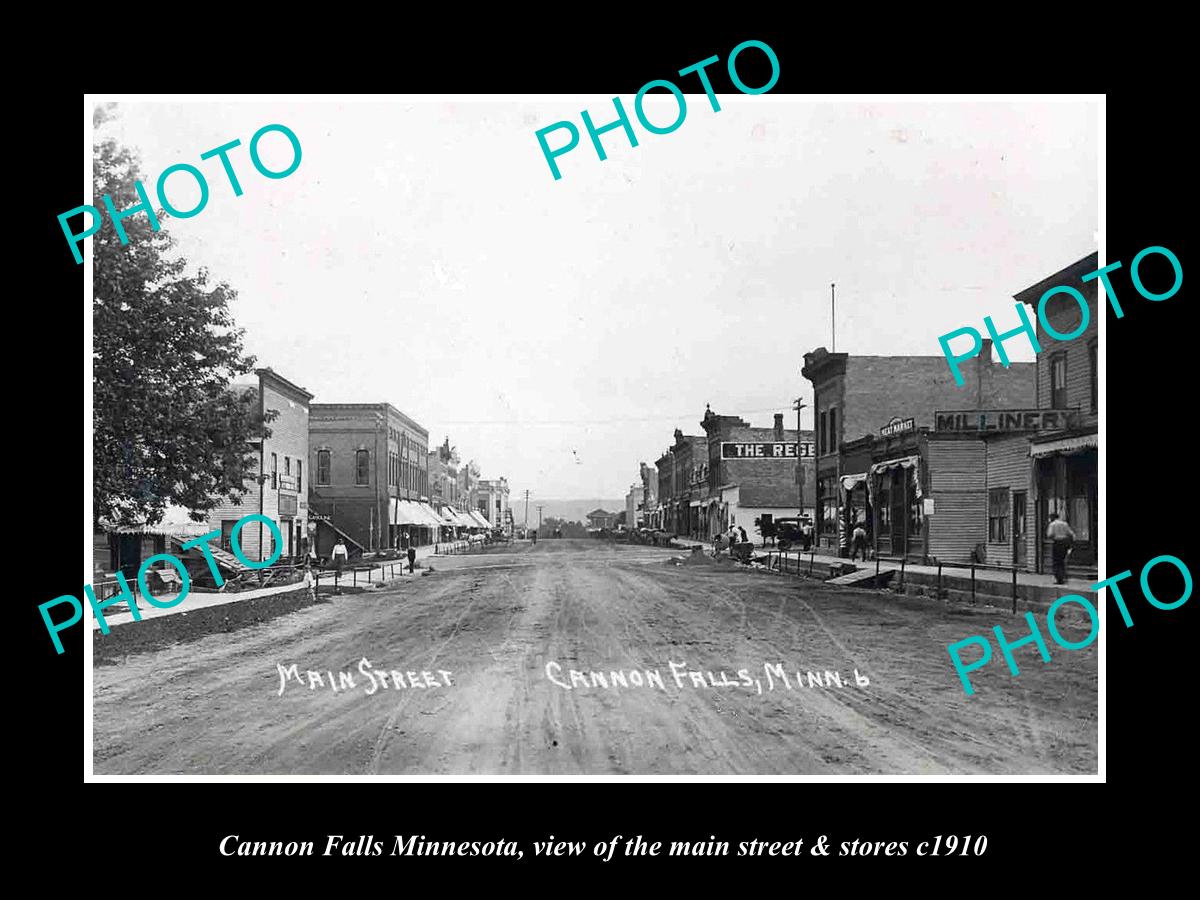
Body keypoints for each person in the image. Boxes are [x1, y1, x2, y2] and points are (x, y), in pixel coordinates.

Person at [1046, 513, 1075, 584]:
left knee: (1056, 561)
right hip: (1065, 542)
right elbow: (1071, 533)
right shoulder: (1065, 524)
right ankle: (1063, 576)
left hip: (1057, 542)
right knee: (1062, 560)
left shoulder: (1052, 524)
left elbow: (1050, 534)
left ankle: (1059, 578)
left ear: (1052, 518)